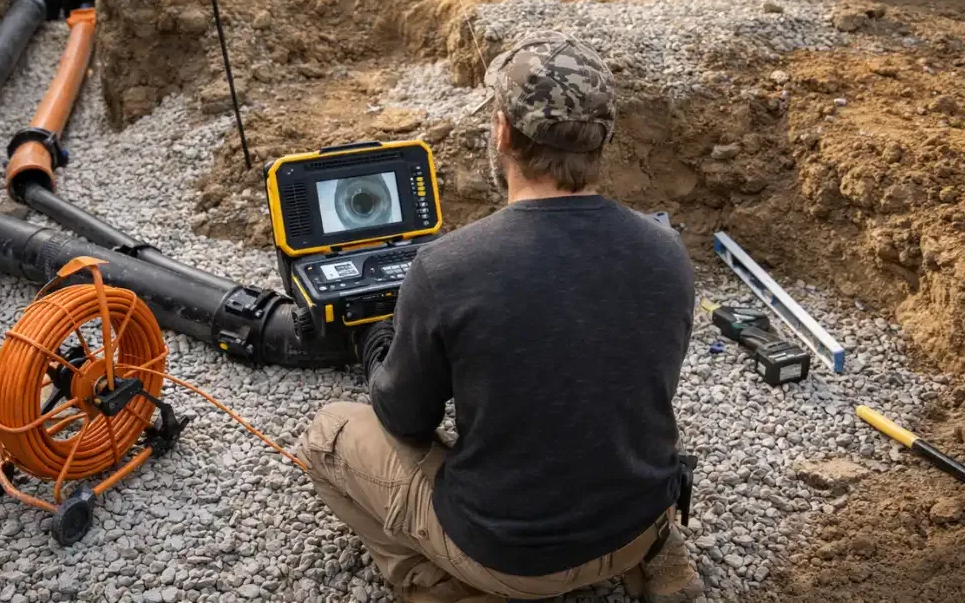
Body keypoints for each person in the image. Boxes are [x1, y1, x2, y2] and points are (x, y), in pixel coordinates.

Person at [296, 31, 699, 603]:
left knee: (328, 432)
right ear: (603, 137)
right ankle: (655, 555)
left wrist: (382, 348)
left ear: (504, 132)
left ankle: (444, 586)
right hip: (639, 520)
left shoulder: (446, 268)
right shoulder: (667, 250)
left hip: (514, 556)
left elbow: (406, 421)